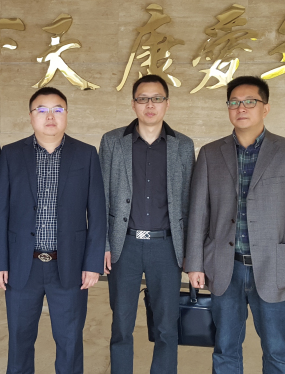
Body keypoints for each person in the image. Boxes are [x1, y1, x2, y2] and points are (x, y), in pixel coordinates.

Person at [185, 76, 285, 373]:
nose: (241, 108)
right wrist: (194, 264)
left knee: (276, 350)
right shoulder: (210, 154)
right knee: (225, 349)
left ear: (265, 108)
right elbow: (198, 214)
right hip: (225, 267)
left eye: (249, 102)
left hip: (275, 268)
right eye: (234, 102)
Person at [0, 87, 106, 374]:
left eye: (57, 109)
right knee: (19, 341)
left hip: (69, 266)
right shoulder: (11, 154)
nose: (50, 116)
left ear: (67, 114)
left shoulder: (86, 154)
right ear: (31, 116)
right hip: (21, 265)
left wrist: (92, 264)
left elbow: (97, 213)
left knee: (69, 342)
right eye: (42, 110)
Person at [98, 75, 194, 373]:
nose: (149, 105)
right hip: (123, 245)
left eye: (156, 98)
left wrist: (191, 252)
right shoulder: (112, 141)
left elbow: (189, 202)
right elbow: (100, 197)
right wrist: (103, 245)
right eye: (143, 99)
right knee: (121, 325)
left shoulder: (183, 146)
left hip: (167, 247)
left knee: (167, 327)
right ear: (133, 104)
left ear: (167, 104)